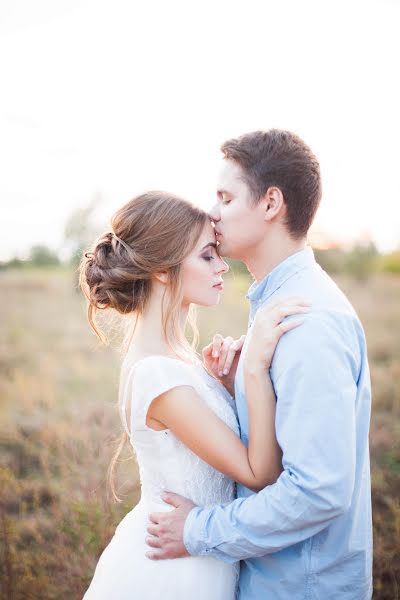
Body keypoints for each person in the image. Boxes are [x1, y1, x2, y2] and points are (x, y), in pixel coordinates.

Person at [145, 130, 373, 600]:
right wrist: (239, 390)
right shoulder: (279, 305)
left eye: (226, 198)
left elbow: (319, 491)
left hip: (301, 586)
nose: (212, 212)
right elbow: (289, 442)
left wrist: (198, 530)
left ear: (271, 203)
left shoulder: (308, 322)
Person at [79, 190, 309, 599]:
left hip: (199, 555)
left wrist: (227, 385)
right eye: (207, 255)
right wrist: (254, 371)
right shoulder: (157, 374)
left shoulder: (179, 356)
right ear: (163, 270)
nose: (222, 266)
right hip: (171, 572)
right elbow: (261, 474)